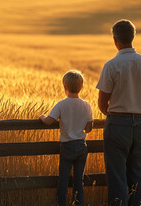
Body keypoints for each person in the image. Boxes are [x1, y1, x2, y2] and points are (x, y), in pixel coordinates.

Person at [96, 19, 141, 206]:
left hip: (117, 124)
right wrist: (139, 104)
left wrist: (116, 112)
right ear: (133, 37)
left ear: (115, 40)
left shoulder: (111, 65)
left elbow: (102, 103)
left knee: (117, 176)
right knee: (139, 175)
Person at [39, 70, 93, 206]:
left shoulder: (61, 104)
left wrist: (42, 117)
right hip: (81, 146)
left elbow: (49, 121)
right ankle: (78, 203)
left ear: (65, 87)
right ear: (81, 87)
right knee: (78, 180)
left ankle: (60, 203)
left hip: (67, 146)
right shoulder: (87, 105)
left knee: (63, 180)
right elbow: (88, 128)